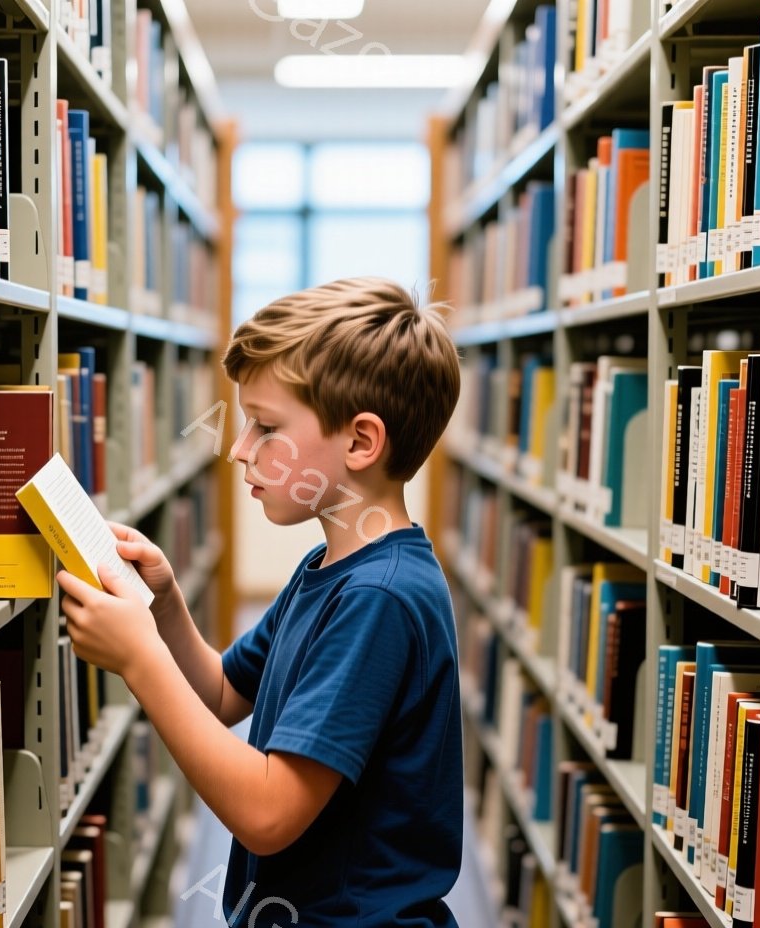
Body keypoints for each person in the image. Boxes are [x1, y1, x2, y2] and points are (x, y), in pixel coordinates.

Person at [57, 277, 465, 926]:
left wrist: (139, 660)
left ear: (361, 442)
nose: (239, 449)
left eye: (265, 427)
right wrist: (163, 607)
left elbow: (268, 816)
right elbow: (223, 694)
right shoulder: (327, 569)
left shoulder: (378, 599)